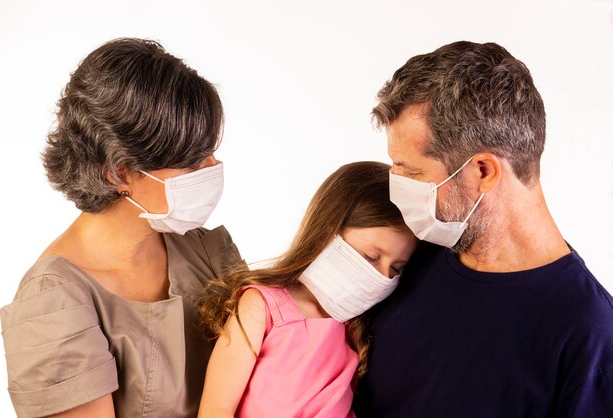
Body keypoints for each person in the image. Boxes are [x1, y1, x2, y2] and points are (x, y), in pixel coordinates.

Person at [353, 41, 613, 417]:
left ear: (483, 171)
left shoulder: (588, 336)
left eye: (411, 172)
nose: (397, 188)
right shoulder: (405, 257)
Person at [0, 38, 244, 417]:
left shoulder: (203, 251)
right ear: (118, 172)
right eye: (192, 162)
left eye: (211, 151)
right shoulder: (50, 301)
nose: (213, 169)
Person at [195, 161, 417, 418]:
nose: (381, 277)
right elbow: (216, 409)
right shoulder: (261, 306)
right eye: (370, 256)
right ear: (326, 232)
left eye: (396, 269)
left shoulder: (357, 331)